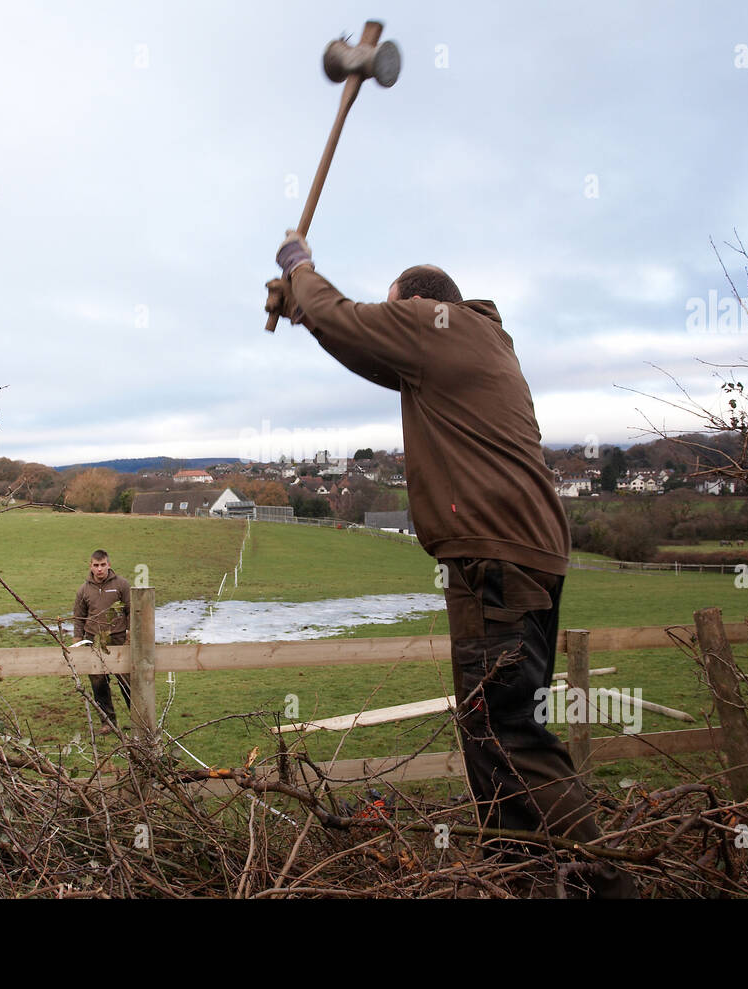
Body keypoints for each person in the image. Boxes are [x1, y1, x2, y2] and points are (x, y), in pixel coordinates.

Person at [265, 232, 636, 897]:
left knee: (504, 731)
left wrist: (300, 271)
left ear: (417, 304)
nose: (392, 319)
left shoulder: (438, 327)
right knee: (492, 728)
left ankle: (608, 888)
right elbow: (353, 337)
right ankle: (523, 879)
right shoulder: (478, 340)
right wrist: (302, 305)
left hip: (494, 558)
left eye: (395, 309)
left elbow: (348, 321)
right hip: (524, 555)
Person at [72, 549, 132, 734]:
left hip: (118, 639)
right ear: (90, 566)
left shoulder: (122, 585)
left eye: (103, 565)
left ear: (109, 565)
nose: (100, 569)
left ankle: (139, 719)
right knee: (98, 683)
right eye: (96, 565)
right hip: (93, 641)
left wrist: (130, 637)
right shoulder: (84, 590)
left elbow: (132, 610)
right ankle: (108, 723)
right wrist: (77, 643)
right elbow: (78, 617)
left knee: (127, 680)